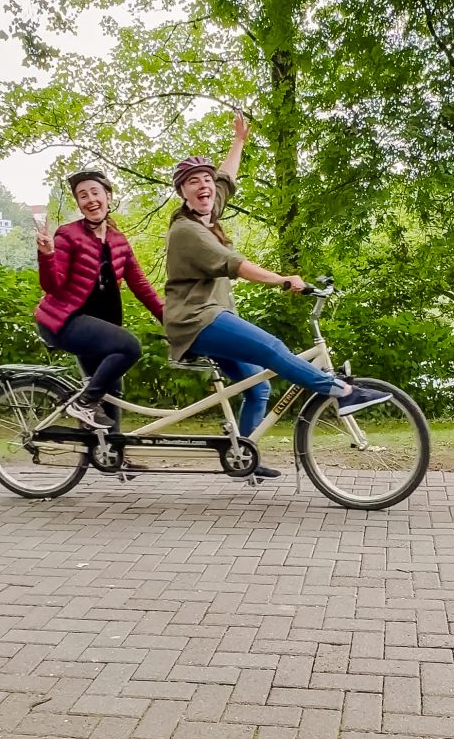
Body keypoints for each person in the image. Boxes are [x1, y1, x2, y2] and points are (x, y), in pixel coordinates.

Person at [164, 112, 390, 479]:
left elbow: (225, 178)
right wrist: (282, 279)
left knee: (259, 386)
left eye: (205, 180)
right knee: (272, 349)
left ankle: (243, 457)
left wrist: (239, 141)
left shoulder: (207, 211)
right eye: (193, 182)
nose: (204, 186)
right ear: (182, 193)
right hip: (196, 320)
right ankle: (341, 391)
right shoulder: (188, 231)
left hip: (213, 316)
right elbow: (236, 264)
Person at [35, 171, 163, 429]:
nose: (90, 200)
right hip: (64, 322)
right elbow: (52, 285)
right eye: (83, 196)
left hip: (96, 324)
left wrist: (168, 318)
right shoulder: (68, 235)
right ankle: (83, 404)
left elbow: (140, 285)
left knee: (111, 391)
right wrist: (47, 255)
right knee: (129, 347)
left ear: (108, 196)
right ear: (78, 204)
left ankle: (112, 458)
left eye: (95, 192)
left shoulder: (118, 241)